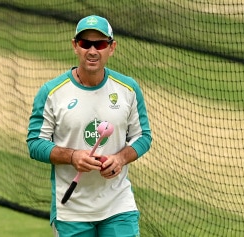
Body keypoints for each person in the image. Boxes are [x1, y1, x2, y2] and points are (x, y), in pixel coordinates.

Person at [27, 15, 152, 237]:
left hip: (118, 205)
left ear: (111, 48)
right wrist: (73, 156)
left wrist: (121, 159)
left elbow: (143, 137)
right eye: (86, 44)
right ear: (75, 46)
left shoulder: (128, 89)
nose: (92, 51)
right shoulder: (52, 93)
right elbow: (35, 143)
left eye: (100, 44)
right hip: (71, 211)